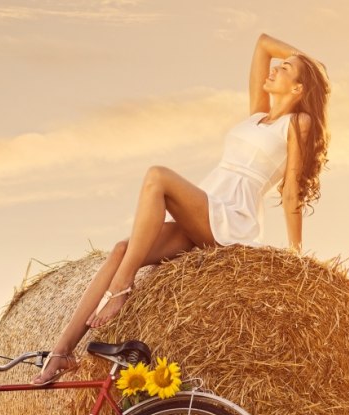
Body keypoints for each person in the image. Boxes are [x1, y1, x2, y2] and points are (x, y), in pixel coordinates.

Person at [32, 33, 330, 385]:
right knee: (121, 250)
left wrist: (296, 257)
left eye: (285, 70)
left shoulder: (298, 124)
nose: (275, 69)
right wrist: (304, 64)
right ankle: (62, 352)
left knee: (157, 176)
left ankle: (123, 287)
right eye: (279, 66)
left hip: (232, 217)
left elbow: (292, 189)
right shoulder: (256, 116)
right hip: (206, 206)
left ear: (297, 90)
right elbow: (263, 43)